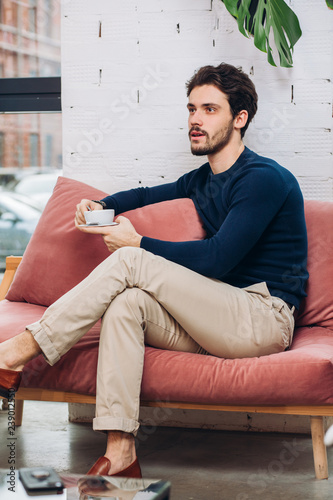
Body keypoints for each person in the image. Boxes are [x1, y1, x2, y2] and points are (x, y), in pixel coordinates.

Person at [0, 63, 308, 478]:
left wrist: (138, 244)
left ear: (240, 119)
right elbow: (145, 194)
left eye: (210, 110)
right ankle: (122, 451)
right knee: (127, 304)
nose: (196, 120)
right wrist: (101, 207)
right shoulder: (203, 179)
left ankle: (16, 353)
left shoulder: (264, 179)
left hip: (263, 320)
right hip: (217, 320)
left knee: (129, 259)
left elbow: (218, 259)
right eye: (192, 108)